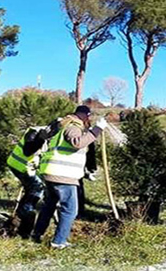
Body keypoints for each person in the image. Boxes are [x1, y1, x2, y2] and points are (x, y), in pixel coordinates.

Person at [32, 105, 107, 249]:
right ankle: (59, 242)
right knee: (70, 209)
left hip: (51, 173)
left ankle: (37, 233)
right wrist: (97, 130)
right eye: (89, 117)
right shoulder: (73, 126)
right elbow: (77, 143)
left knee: (49, 206)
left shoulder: (63, 125)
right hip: (63, 175)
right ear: (85, 116)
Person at [6, 119, 60, 238]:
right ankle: (21, 221)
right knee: (36, 189)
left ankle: (20, 218)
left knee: (33, 190)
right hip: (19, 166)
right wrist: (41, 138)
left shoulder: (52, 137)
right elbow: (27, 151)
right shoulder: (34, 132)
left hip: (30, 168)